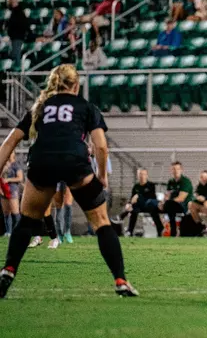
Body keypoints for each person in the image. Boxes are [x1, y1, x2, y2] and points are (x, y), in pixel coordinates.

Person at [0, 64, 137, 298]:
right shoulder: (86, 107)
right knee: (102, 223)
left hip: (42, 162)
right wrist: (102, 176)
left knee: (27, 221)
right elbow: (101, 147)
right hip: (75, 162)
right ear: (76, 85)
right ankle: (120, 280)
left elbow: (10, 142)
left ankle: (8, 271)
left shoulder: (40, 107)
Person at [125, 168, 163, 238]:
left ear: (147, 176)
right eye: (140, 174)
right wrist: (129, 203)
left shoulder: (151, 185)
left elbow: (151, 197)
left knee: (152, 209)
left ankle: (160, 230)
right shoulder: (136, 186)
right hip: (139, 206)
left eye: (143, 174)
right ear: (137, 175)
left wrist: (138, 196)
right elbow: (132, 198)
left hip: (149, 205)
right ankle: (130, 231)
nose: (142, 176)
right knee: (133, 209)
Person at [159, 161, 193, 237]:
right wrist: (162, 203)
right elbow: (167, 196)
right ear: (171, 170)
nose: (176, 171)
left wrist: (167, 202)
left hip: (183, 206)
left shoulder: (185, 181)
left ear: (181, 170)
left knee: (169, 204)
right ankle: (159, 230)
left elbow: (181, 198)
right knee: (155, 207)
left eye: (177, 169)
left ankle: (173, 230)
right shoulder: (171, 182)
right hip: (171, 206)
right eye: (173, 169)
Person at [189, 170, 207, 235]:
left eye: (205, 177)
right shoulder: (199, 186)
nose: (204, 179)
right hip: (202, 206)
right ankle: (200, 226)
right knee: (190, 204)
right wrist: (197, 197)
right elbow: (194, 196)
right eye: (202, 177)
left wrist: (205, 198)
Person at [4, 0, 29, 70]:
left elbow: (21, 24)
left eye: (14, 1)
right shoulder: (12, 12)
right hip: (13, 37)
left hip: (17, 37)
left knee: (16, 55)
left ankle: (18, 72)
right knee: (13, 55)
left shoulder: (19, 12)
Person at [1, 152, 23, 237]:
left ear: (13, 155)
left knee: (15, 212)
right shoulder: (3, 164)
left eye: (10, 153)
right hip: (3, 191)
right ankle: (8, 232)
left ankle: (19, 231)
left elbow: (20, 178)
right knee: (6, 212)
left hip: (13, 191)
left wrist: (8, 180)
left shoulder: (16, 165)